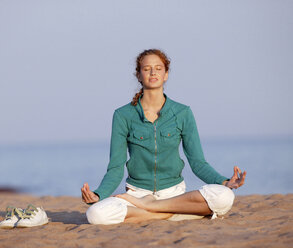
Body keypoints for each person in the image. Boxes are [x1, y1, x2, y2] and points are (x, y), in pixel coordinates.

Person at [81, 49, 246, 225]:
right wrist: (99, 194)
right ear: (138, 74)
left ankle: (152, 208)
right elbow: (115, 168)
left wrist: (225, 182)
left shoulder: (182, 113)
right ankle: (169, 213)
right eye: (147, 69)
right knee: (95, 214)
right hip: (137, 194)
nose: (153, 72)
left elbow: (198, 163)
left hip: (174, 194)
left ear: (166, 74)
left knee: (225, 196)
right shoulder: (123, 115)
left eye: (158, 68)